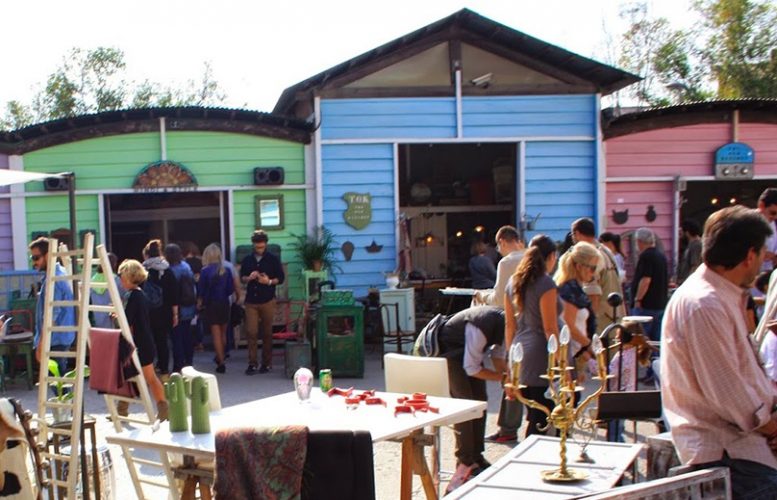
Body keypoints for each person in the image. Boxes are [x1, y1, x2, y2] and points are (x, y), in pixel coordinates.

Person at [662, 205, 777, 499]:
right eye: (763, 254)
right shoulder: (705, 303)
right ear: (750, 255)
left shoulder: (719, 295)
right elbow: (729, 392)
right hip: (729, 457)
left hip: (742, 454)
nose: (763, 263)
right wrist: (771, 426)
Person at [437, 305, 505, 494]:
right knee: (466, 405)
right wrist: (503, 378)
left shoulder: (504, 325)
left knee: (480, 401)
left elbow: (499, 356)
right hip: (449, 351)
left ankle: (476, 455)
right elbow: (472, 368)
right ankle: (465, 459)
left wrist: (508, 378)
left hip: (467, 352)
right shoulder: (483, 325)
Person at [504, 234, 561, 439]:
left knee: (534, 414)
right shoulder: (546, 283)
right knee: (544, 417)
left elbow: (509, 326)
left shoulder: (513, 282)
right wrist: (563, 364)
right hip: (541, 355)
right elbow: (550, 329)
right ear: (552, 256)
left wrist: (511, 366)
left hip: (520, 353)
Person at [474, 225, 525, 444]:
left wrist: (480, 296)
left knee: (509, 374)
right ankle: (509, 424)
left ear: (503, 241)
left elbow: (499, 298)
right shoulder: (531, 256)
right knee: (519, 374)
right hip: (529, 323)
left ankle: (509, 426)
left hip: (510, 323)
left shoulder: (507, 262)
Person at [117, 259, 168, 421]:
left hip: (141, 344)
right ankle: (122, 409)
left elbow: (127, 322)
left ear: (129, 277)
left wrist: (116, 317)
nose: (120, 280)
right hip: (143, 342)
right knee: (131, 376)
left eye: (122, 277)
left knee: (149, 378)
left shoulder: (133, 296)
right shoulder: (138, 294)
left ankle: (164, 409)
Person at [240, 230, 285, 375]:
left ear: (266, 244)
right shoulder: (247, 259)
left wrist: (269, 281)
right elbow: (242, 278)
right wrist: (249, 277)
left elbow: (281, 278)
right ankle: (252, 363)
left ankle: (266, 363)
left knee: (266, 333)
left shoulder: (272, 259)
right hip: (251, 300)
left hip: (267, 299)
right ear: (253, 244)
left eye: (262, 246)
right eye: (257, 246)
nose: (259, 249)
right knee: (251, 332)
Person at [29, 237, 75, 376]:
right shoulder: (58, 273)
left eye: (36, 257)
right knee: (59, 381)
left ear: (48, 255)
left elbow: (51, 316)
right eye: (32, 257)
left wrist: (42, 344)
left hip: (55, 339)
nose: (34, 262)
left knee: (58, 382)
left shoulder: (55, 279)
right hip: (59, 337)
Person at [570, 218, 624, 332]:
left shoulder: (590, 256)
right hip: (615, 315)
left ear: (577, 234)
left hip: (601, 321)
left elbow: (593, 295)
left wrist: (590, 327)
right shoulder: (606, 251)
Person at [142, 239, 179, 380]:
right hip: (164, 311)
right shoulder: (167, 270)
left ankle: (148, 371)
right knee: (162, 341)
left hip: (147, 311)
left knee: (147, 341)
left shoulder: (143, 270)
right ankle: (164, 372)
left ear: (146, 255)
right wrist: (175, 314)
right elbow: (174, 293)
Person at [554, 242, 598, 361]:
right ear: (579, 267)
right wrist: (590, 346)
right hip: (570, 354)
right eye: (592, 268)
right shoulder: (569, 291)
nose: (594, 273)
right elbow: (568, 325)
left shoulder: (574, 289)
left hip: (576, 352)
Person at [198, 243, 235, 374]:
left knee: (216, 335)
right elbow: (231, 289)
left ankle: (221, 362)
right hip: (224, 303)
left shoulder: (204, 271)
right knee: (224, 333)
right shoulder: (227, 270)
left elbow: (201, 291)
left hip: (211, 304)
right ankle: (222, 356)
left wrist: (199, 303)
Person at [629, 228, 668, 343]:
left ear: (639, 241)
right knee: (656, 340)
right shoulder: (661, 256)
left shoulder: (646, 256)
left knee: (641, 339)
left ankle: (644, 361)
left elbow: (646, 280)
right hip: (660, 303)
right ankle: (656, 360)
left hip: (646, 305)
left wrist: (638, 299)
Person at [165, 243, 196, 373]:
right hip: (188, 306)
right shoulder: (186, 267)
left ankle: (178, 364)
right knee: (187, 335)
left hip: (174, 308)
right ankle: (189, 362)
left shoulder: (168, 269)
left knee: (176, 338)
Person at [90, 252, 124, 329]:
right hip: (111, 319)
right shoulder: (116, 280)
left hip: (96, 319)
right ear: (114, 265)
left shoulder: (92, 280)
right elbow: (125, 296)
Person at [676, 219, 702, 284]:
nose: (680, 234)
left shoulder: (696, 245)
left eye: (681, 231)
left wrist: (688, 283)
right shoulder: (691, 245)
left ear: (687, 233)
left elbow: (695, 266)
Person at [757, 188, 777, 272]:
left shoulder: (775, 223)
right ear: (761, 206)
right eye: (773, 213)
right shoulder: (744, 222)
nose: (775, 217)